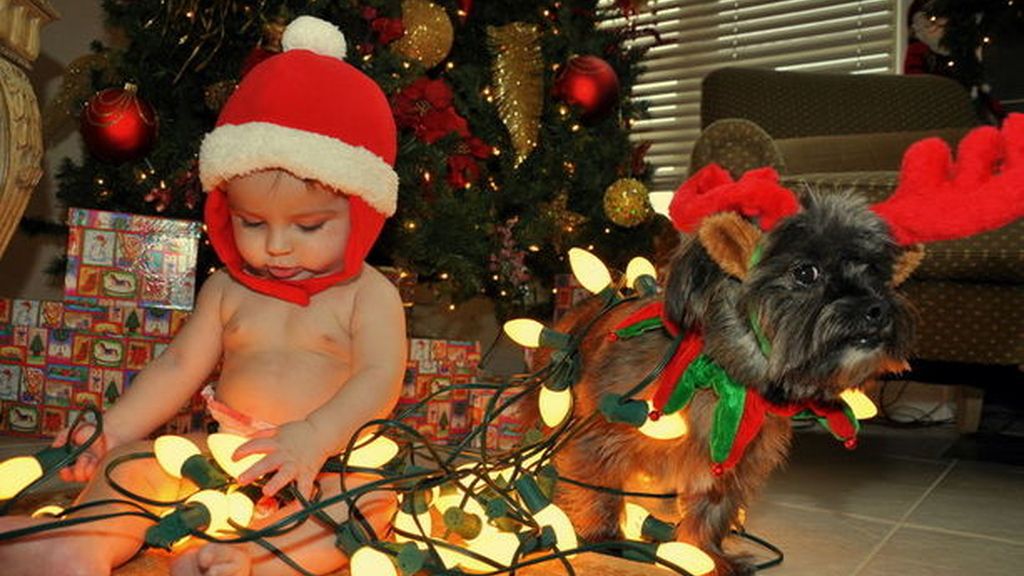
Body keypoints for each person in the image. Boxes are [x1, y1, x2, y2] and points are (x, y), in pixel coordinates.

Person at [0, 15, 406, 576]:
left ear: (360, 211)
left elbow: (378, 380)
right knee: (135, 463)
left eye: (308, 227)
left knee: (369, 505)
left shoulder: (369, 294)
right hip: (223, 457)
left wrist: (314, 437)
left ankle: (254, 561)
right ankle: (80, 543)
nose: (277, 247)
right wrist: (110, 430)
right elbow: (178, 366)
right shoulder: (228, 287)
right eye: (252, 223)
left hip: (324, 459)